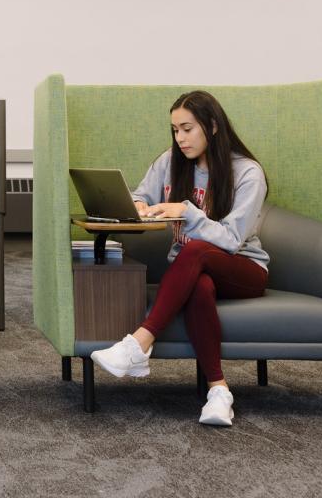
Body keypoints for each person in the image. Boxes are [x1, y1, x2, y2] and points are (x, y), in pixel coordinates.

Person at [89, 90, 269, 427]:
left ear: (212, 126)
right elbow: (141, 193)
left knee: (196, 249)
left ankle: (140, 343)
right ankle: (218, 391)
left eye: (187, 128)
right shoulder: (169, 162)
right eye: (175, 130)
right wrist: (138, 205)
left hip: (243, 269)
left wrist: (188, 213)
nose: (180, 138)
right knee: (198, 286)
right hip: (194, 270)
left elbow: (231, 239)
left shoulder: (247, 173)